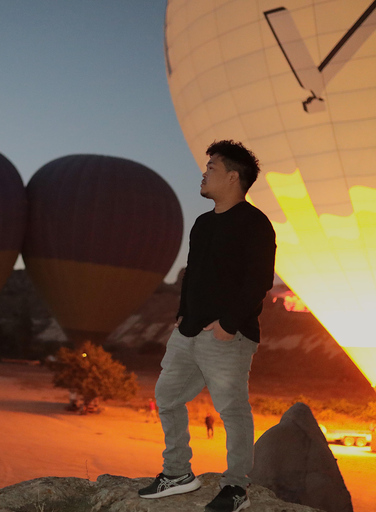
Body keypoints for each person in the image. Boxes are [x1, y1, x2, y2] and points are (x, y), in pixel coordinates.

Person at [138, 140, 276, 512]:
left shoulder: (255, 224)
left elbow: (259, 280)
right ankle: (178, 472)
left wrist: (228, 324)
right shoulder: (201, 224)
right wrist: (182, 314)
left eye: (212, 167)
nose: (204, 172)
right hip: (187, 332)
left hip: (226, 336)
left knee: (232, 410)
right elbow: (193, 275)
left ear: (233, 177)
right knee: (166, 396)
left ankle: (235, 488)